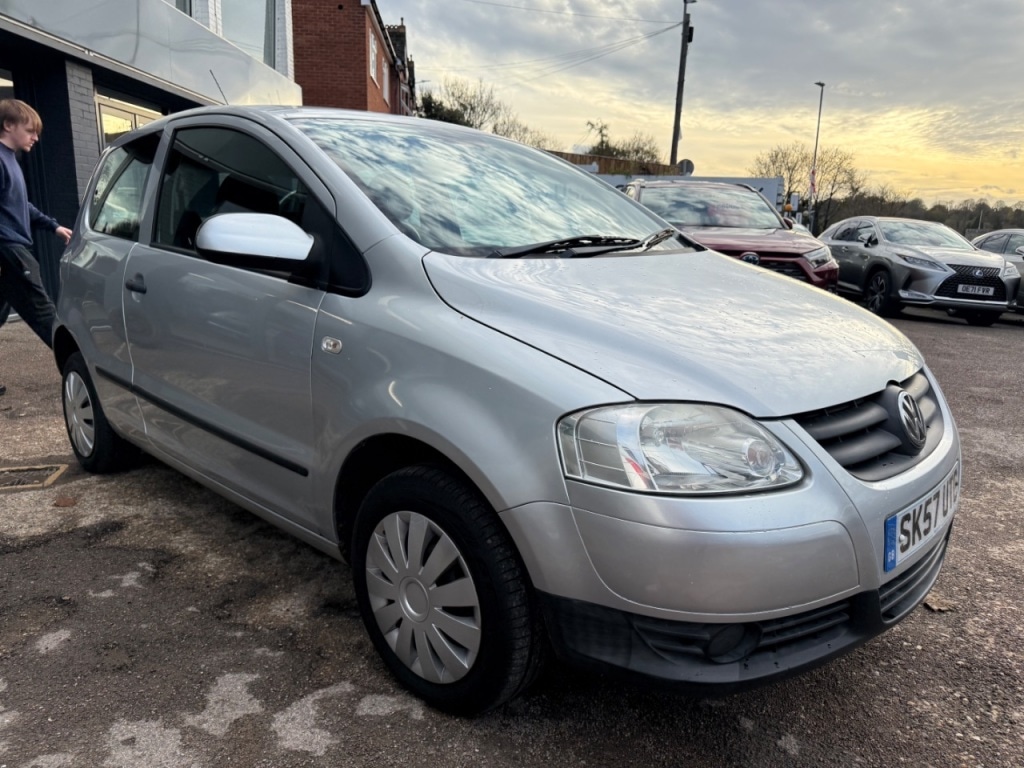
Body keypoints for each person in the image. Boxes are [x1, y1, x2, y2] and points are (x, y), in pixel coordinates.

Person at [0, 98, 73, 397]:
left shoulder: (10, 161)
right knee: (45, 314)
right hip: (9, 251)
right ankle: (82, 372)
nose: (36, 137)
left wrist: (53, 226)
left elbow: (21, 205)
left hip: (10, 249)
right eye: (30, 130)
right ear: (8, 125)